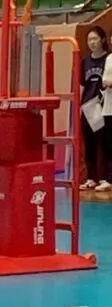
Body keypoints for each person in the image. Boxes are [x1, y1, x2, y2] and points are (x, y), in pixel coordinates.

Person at [81, 27, 111, 192]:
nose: (92, 42)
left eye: (95, 39)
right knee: (89, 144)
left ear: (103, 40)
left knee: (105, 143)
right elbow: (81, 85)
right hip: (88, 107)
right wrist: (80, 106)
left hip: (104, 106)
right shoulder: (85, 61)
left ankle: (105, 178)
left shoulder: (108, 59)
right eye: (89, 40)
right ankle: (91, 178)